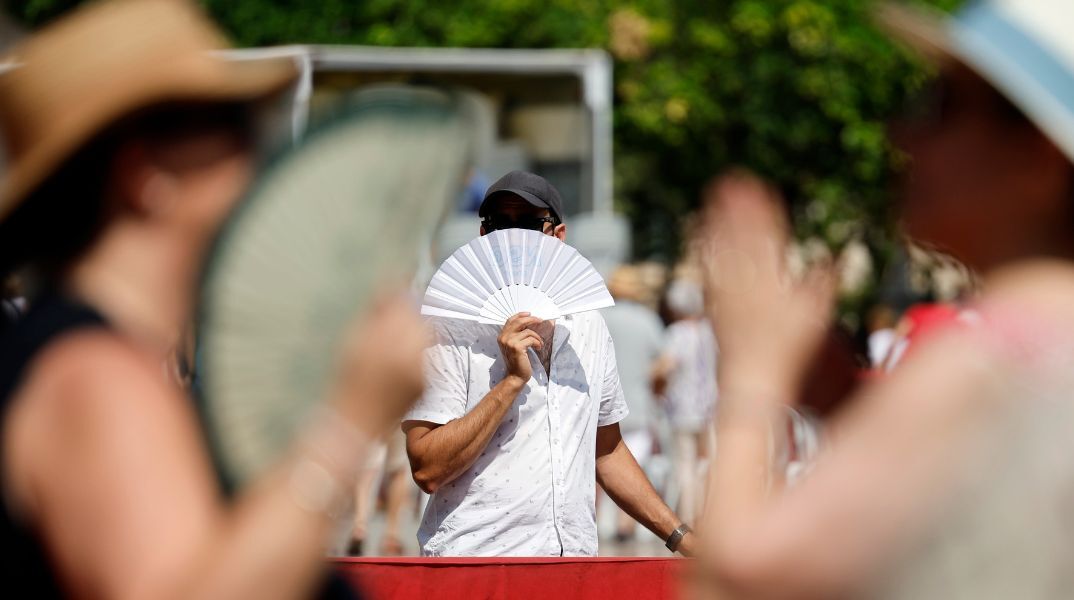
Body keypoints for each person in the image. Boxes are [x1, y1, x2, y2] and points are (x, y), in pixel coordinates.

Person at [0, 1, 427, 597]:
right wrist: (347, 425)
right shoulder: (92, 377)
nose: (260, 161)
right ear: (146, 174)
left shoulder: (99, 359)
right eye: (235, 129)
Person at [695, 0, 1074, 596]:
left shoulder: (981, 361)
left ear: (1039, 158)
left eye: (943, 105)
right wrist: (842, 401)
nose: (905, 132)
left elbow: (740, 574)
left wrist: (753, 374)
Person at [402, 170, 695, 557]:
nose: (513, 237)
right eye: (500, 223)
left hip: (570, 563)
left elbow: (607, 451)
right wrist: (510, 383)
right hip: (477, 561)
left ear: (557, 235)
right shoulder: (449, 328)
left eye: (527, 223)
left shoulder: (588, 326)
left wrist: (682, 538)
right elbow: (427, 468)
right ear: (484, 234)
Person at [599, 264, 666, 543]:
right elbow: (664, 364)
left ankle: (594, 520)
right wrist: (654, 386)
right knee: (633, 463)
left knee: (598, 461)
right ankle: (624, 526)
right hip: (637, 403)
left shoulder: (599, 317)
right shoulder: (647, 320)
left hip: (601, 403)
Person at [652, 278, 716, 526]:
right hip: (709, 406)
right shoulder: (708, 332)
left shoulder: (677, 333)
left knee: (685, 464)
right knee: (705, 463)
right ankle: (705, 513)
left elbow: (665, 366)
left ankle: (689, 517)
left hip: (684, 407)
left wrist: (652, 376)